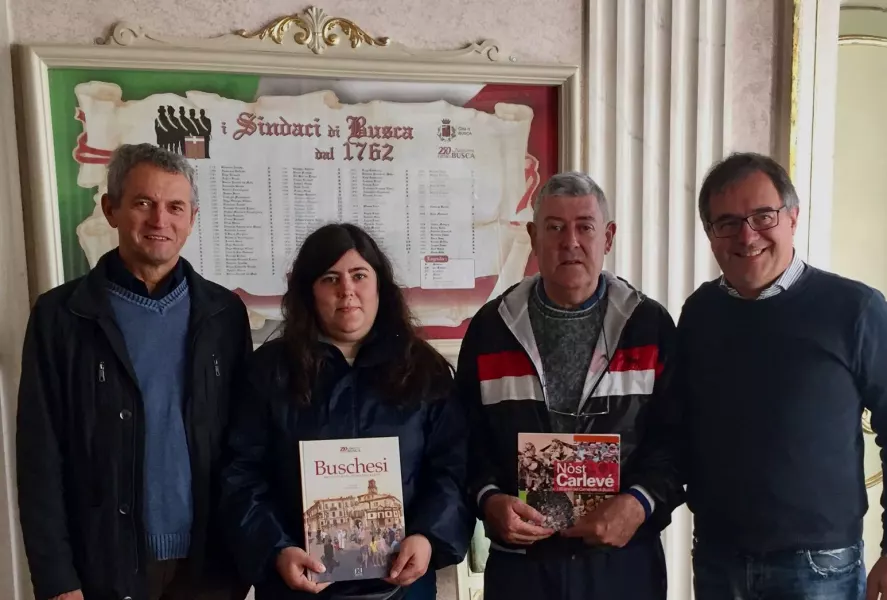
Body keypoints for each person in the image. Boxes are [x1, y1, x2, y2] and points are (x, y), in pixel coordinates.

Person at [16, 143, 253, 600]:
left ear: (192, 218)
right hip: (102, 567)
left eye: (175, 207)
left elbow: (246, 444)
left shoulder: (224, 314)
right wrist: (58, 581)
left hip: (209, 567)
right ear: (111, 210)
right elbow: (39, 460)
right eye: (143, 203)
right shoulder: (61, 317)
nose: (159, 220)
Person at [456, 171, 683, 599]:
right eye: (555, 227)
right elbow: (463, 437)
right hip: (522, 565)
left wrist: (640, 502)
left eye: (585, 227)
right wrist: (488, 499)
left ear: (608, 236)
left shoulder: (648, 326)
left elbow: (677, 437)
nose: (570, 241)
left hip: (622, 559)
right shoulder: (491, 329)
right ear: (533, 236)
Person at [219, 223, 473, 599]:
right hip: (299, 585)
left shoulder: (423, 370)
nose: (347, 290)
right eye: (330, 278)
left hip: (403, 587)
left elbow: (452, 470)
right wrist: (276, 550)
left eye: (359, 275)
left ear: (379, 286)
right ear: (310, 291)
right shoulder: (269, 372)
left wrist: (428, 537)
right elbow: (242, 474)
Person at [676, 152, 887, 599]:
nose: (747, 235)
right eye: (727, 222)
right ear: (711, 235)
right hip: (718, 558)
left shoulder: (856, 309)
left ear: (792, 217)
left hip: (819, 566)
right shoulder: (699, 313)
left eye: (763, 216)